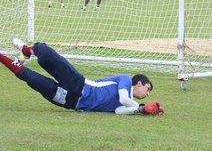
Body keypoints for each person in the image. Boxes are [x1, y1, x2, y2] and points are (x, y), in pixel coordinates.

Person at [0, 38, 164, 116]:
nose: (147, 93)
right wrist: (141, 105)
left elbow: (120, 111)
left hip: (71, 102)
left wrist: (141, 110)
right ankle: (26, 50)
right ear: (139, 82)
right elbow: (123, 99)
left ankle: (9, 56)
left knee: (31, 79)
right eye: (147, 88)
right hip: (79, 84)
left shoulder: (128, 101)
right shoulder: (126, 80)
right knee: (44, 51)